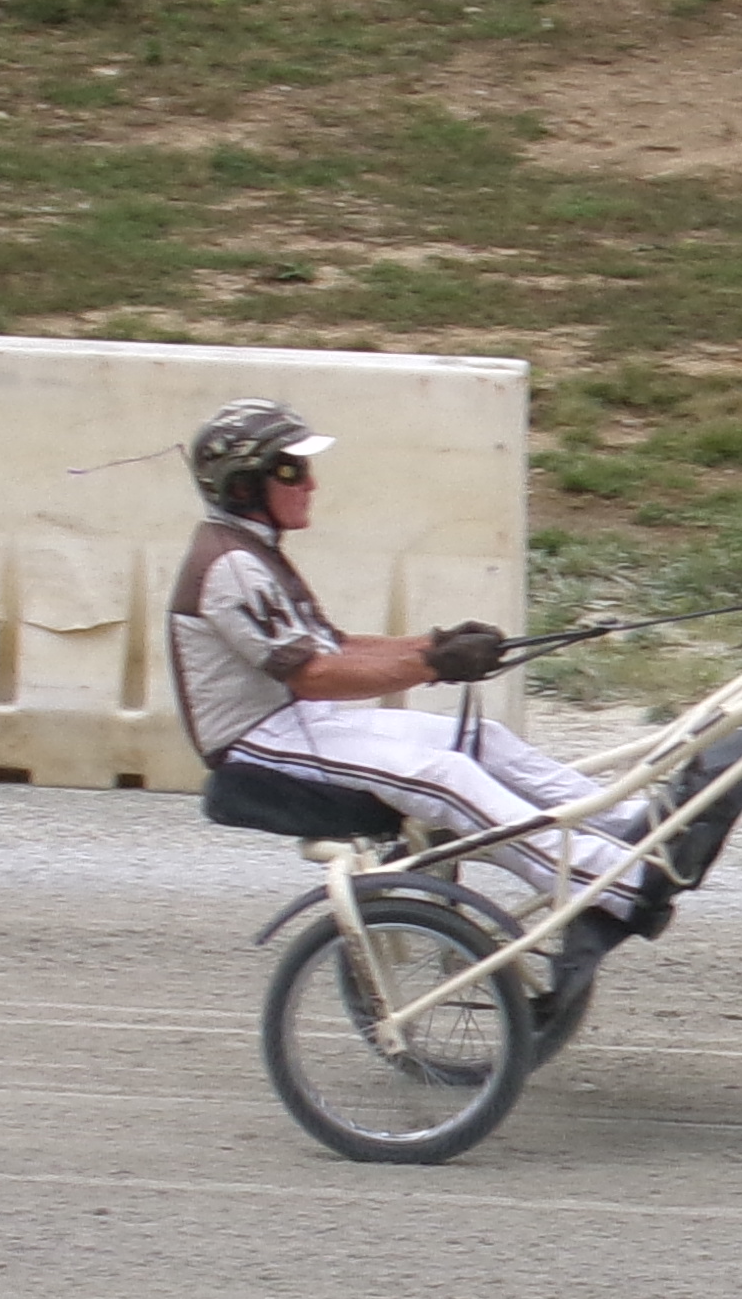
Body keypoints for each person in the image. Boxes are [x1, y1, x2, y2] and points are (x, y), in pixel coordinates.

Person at [167, 397, 667, 956]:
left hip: (297, 723)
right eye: (292, 470)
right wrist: (432, 666)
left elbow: (338, 647)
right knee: (443, 776)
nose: (310, 483)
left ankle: (624, 824)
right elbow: (315, 675)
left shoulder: (252, 551)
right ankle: (613, 885)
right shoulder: (232, 566)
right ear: (242, 487)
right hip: (256, 745)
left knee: (479, 739)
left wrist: (438, 644)